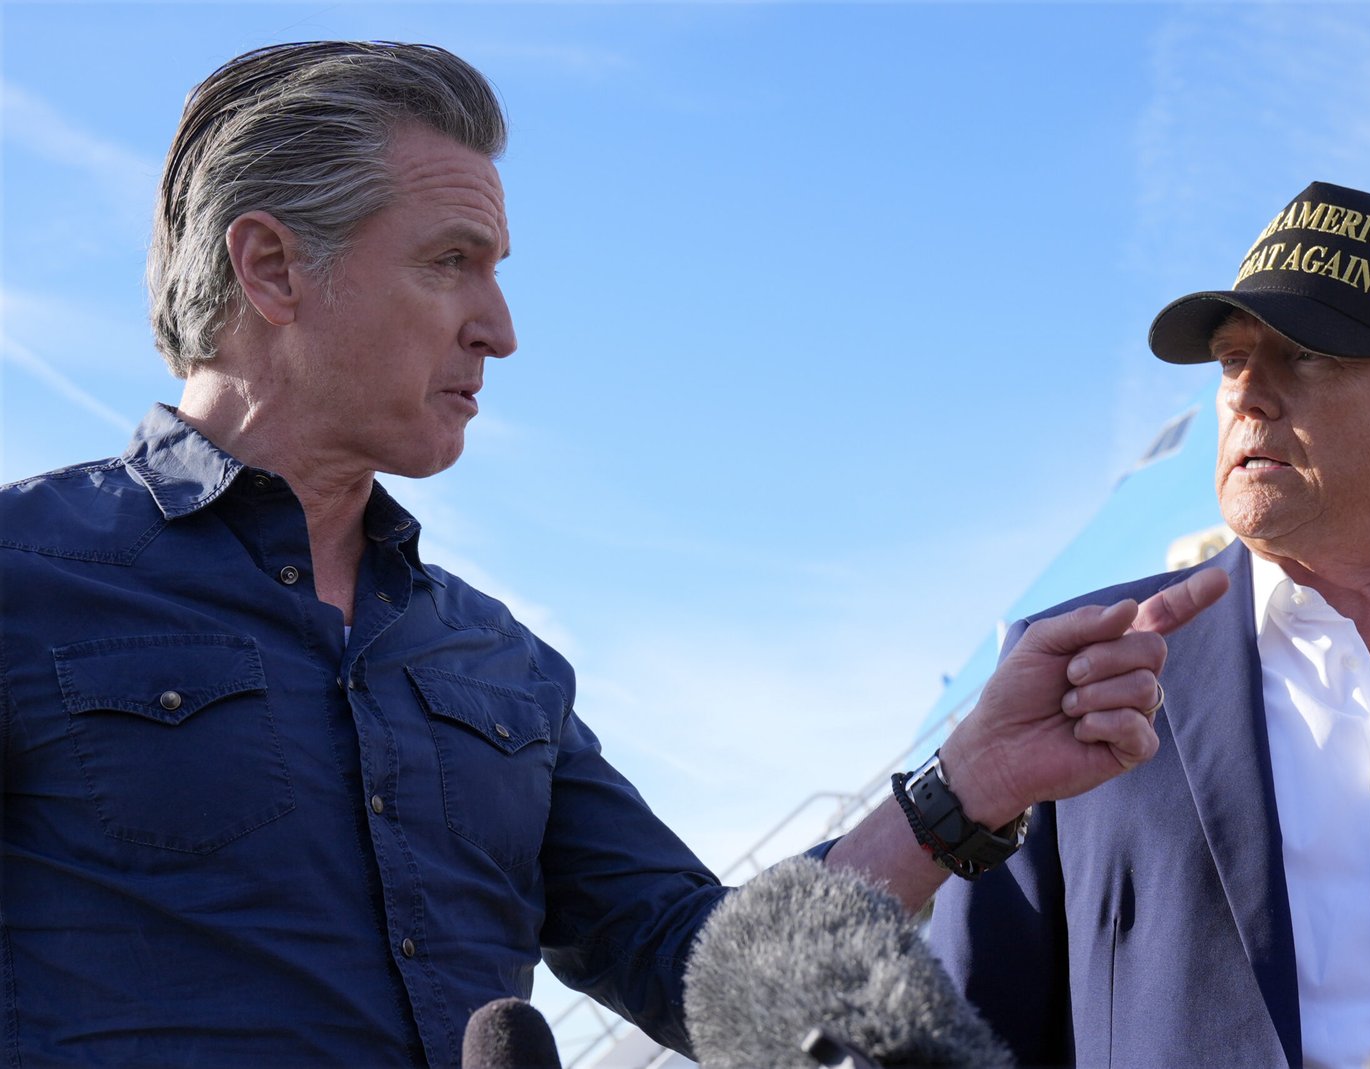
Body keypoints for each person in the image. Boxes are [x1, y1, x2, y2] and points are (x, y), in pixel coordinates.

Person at [0, 41, 1227, 1066]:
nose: (500, 328)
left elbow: (697, 966)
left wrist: (965, 786)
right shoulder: (24, 579)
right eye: (450, 261)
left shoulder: (499, 664)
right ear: (271, 267)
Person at [927, 180, 1370, 1069]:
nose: (1248, 393)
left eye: (1306, 356)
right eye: (1232, 359)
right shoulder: (1078, 666)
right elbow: (969, 1028)